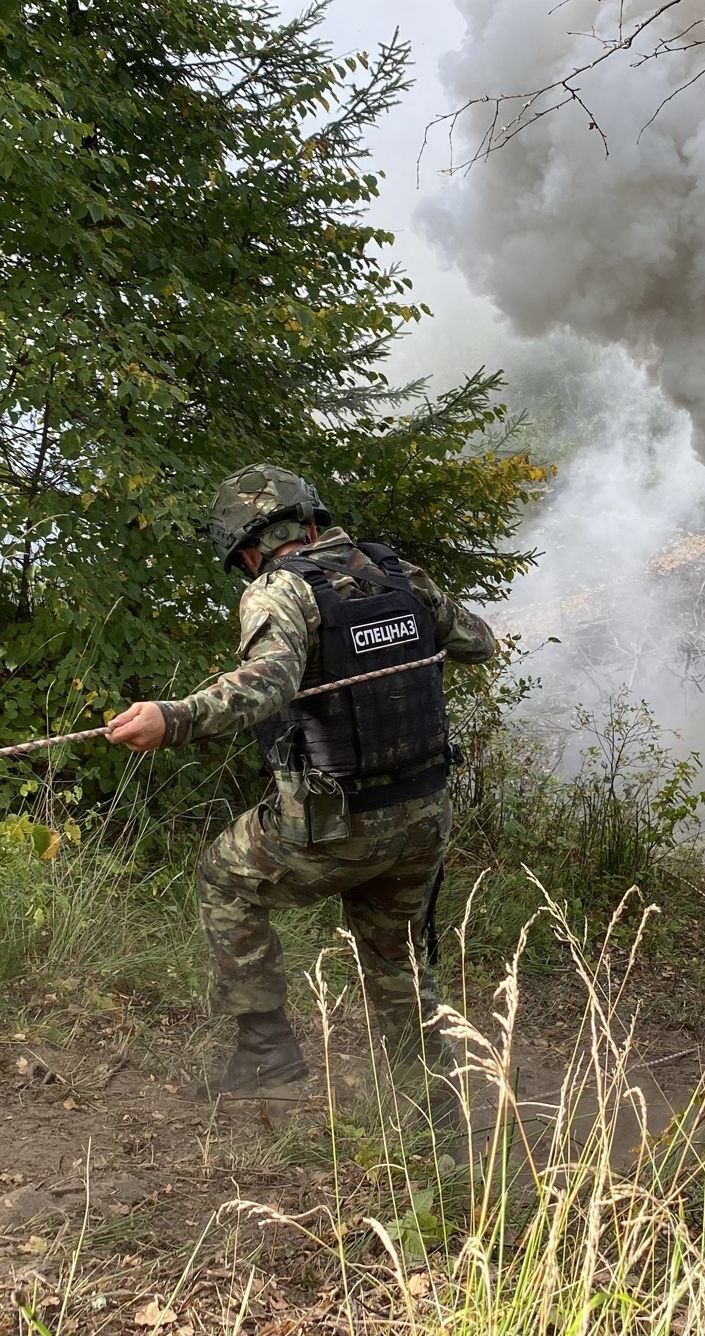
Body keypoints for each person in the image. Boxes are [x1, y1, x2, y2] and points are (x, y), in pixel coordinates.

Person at [104, 464, 497, 1099]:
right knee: (396, 958)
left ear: (249, 548)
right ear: (312, 518)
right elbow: (477, 642)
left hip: (335, 821)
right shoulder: (396, 575)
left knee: (224, 879)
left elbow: (266, 685)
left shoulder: (278, 591)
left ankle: (265, 1054)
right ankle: (432, 1120)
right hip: (424, 812)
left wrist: (171, 719)